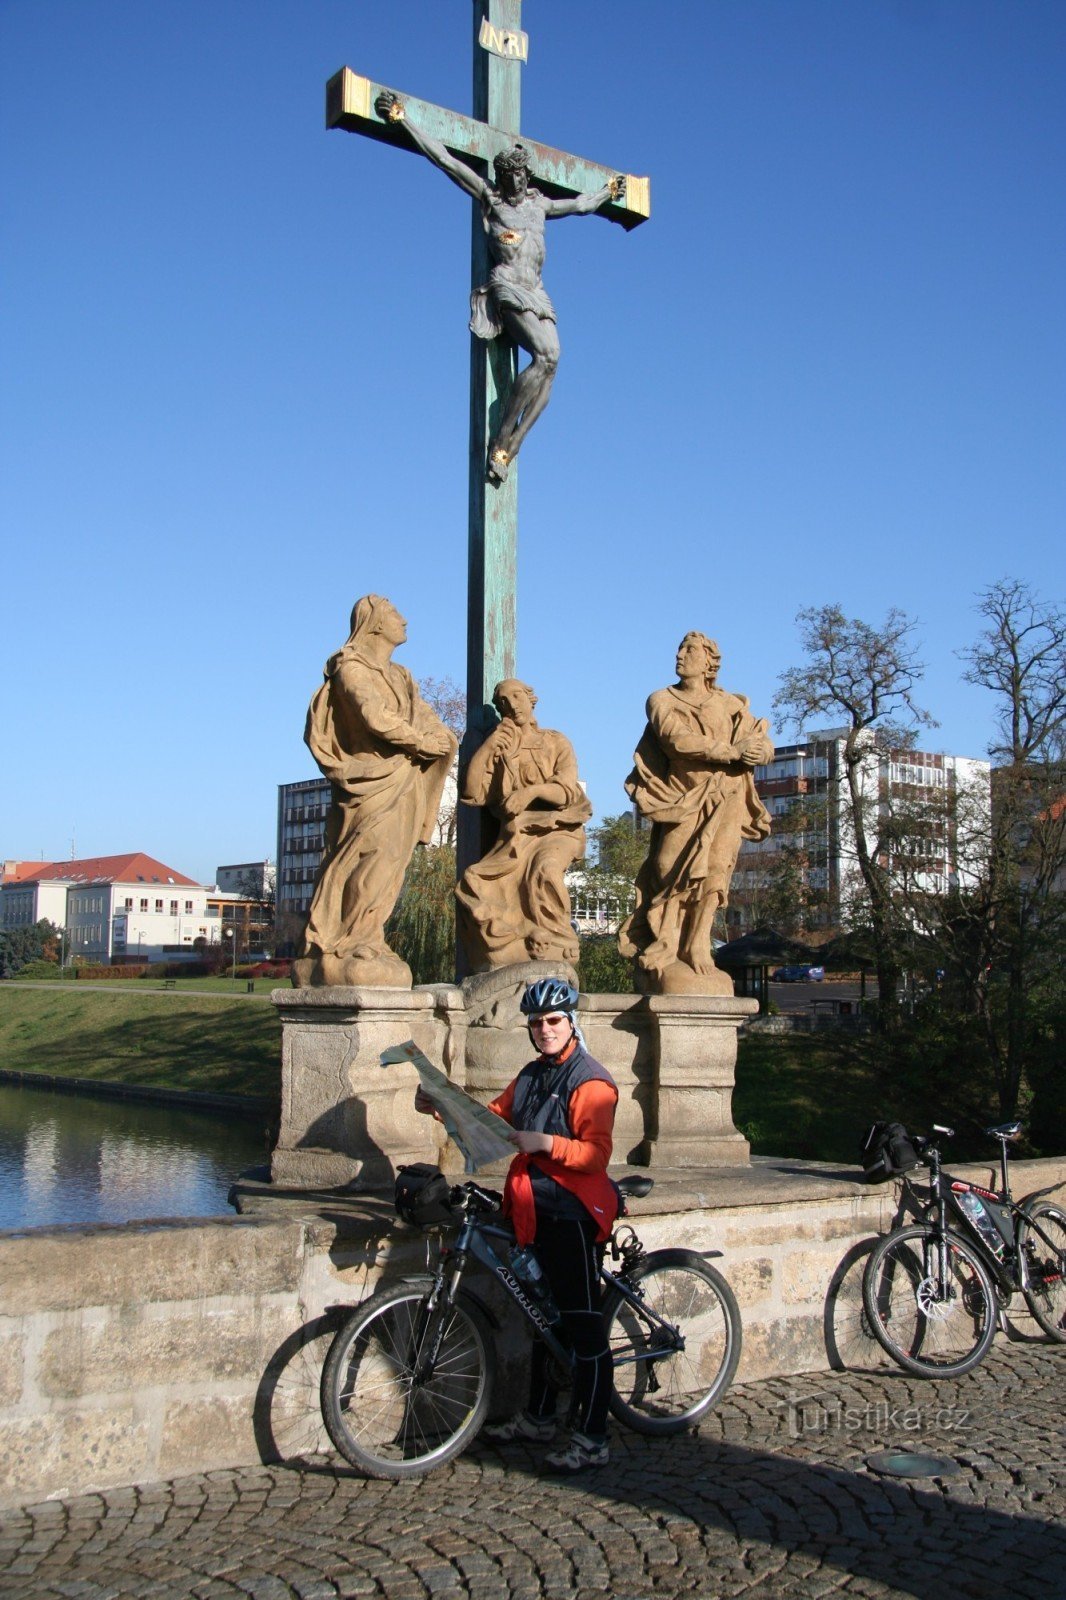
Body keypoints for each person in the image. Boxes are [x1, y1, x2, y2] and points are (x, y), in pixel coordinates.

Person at [415, 977, 619, 1473]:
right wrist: (443, 1108)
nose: (545, 1029)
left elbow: (596, 1156)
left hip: (572, 1211)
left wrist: (547, 1145)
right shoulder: (531, 1075)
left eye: (553, 1021)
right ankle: (539, 1418)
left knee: (583, 1328)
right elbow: (491, 1122)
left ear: (572, 1023)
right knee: (542, 1318)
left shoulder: (590, 1081)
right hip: (532, 1209)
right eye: (536, 1023)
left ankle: (593, 1436)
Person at [375, 89, 625, 482]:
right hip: (507, 285)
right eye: (511, 175)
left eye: (522, 174)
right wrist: (403, 119)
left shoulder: (538, 205)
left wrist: (607, 193)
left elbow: (578, 205)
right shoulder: (491, 199)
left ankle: (510, 445)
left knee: (552, 362)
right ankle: (502, 439)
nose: (518, 180)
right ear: (502, 176)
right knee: (544, 354)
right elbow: (445, 160)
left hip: (537, 292)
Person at [293, 595, 457, 988]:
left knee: (391, 863)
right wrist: (419, 742)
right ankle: (346, 940)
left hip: (402, 780)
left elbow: (426, 716)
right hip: (368, 781)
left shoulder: (401, 675)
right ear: (376, 623)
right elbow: (374, 717)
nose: (405, 619)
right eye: (396, 614)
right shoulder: (352, 668)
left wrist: (439, 736)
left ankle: (368, 935)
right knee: (368, 855)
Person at [619, 632, 774, 993]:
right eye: (680, 648)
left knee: (716, 873)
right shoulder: (661, 699)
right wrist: (732, 752)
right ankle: (665, 944)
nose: (680, 654)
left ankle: (696, 945)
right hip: (683, 796)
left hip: (728, 797)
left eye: (690, 650)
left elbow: (762, 742)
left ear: (709, 662)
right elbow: (676, 739)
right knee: (667, 867)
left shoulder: (730, 703)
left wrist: (758, 752)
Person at [455, 679, 591, 971]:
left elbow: (566, 790)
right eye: (503, 702)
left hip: (558, 829)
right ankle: (513, 942)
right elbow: (470, 791)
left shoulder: (555, 742)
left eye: (517, 696)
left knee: (545, 870)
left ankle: (560, 944)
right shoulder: (500, 747)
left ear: (532, 699)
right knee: (474, 882)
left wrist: (530, 792)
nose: (512, 704)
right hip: (517, 835)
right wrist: (489, 746)